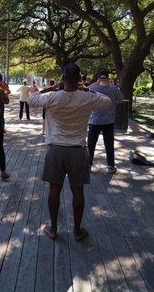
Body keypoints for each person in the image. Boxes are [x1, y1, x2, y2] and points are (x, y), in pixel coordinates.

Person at [28, 63, 112, 241]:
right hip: (78, 150)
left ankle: (53, 228)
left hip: (55, 150)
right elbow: (107, 102)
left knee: (54, 189)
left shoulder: (52, 96)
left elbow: (31, 99)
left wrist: (49, 88)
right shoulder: (87, 97)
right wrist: (87, 89)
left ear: (63, 78)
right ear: (80, 78)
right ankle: (77, 231)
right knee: (78, 190)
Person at [87, 69, 123, 174]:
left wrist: (95, 83)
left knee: (91, 144)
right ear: (108, 78)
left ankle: (88, 166)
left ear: (98, 78)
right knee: (109, 144)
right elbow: (120, 100)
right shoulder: (114, 89)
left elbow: (84, 90)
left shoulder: (93, 88)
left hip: (94, 121)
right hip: (109, 121)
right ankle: (110, 166)